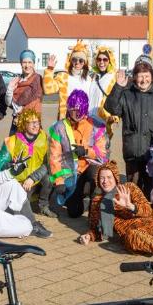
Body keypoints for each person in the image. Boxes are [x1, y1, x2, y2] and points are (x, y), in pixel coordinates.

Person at [103, 57, 153, 195]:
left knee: (152, 187)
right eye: (140, 76)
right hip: (132, 150)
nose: (143, 80)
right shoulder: (127, 95)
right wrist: (118, 87)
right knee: (133, 187)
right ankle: (132, 214)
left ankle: (149, 214)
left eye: (146, 76)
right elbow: (111, 107)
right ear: (134, 77)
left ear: (152, 77)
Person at [48, 90, 108, 218]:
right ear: (68, 108)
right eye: (74, 109)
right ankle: (82, 195)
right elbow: (54, 157)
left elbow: (103, 154)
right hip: (71, 171)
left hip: (90, 166)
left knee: (97, 175)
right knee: (74, 212)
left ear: (86, 108)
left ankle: (95, 211)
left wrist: (86, 151)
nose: (77, 113)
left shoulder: (96, 125)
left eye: (80, 109)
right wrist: (59, 181)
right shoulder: (59, 128)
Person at [0, 108, 55, 217]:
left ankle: (43, 206)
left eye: (37, 122)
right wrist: (12, 165)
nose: (35, 125)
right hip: (19, 183)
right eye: (31, 122)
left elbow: (48, 163)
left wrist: (33, 178)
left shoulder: (44, 138)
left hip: (35, 178)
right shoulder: (12, 141)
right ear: (23, 124)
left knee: (50, 178)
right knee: (19, 213)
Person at [43, 40, 112, 126]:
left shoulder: (90, 79)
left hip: (85, 121)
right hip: (66, 120)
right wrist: (49, 69)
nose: (77, 63)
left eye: (81, 60)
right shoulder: (63, 77)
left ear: (85, 62)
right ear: (71, 61)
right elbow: (48, 90)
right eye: (74, 59)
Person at [5, 49, 44, 134]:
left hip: (32, 123)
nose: (27, 65)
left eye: (30, 62)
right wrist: (10, 89)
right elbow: (9, 103)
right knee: (14, 147)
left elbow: (33, 103)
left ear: (33, 64)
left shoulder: (38, 80)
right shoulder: (17, 80)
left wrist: (20, 114)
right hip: (16, 123)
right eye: (24, 62)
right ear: (21, 64)